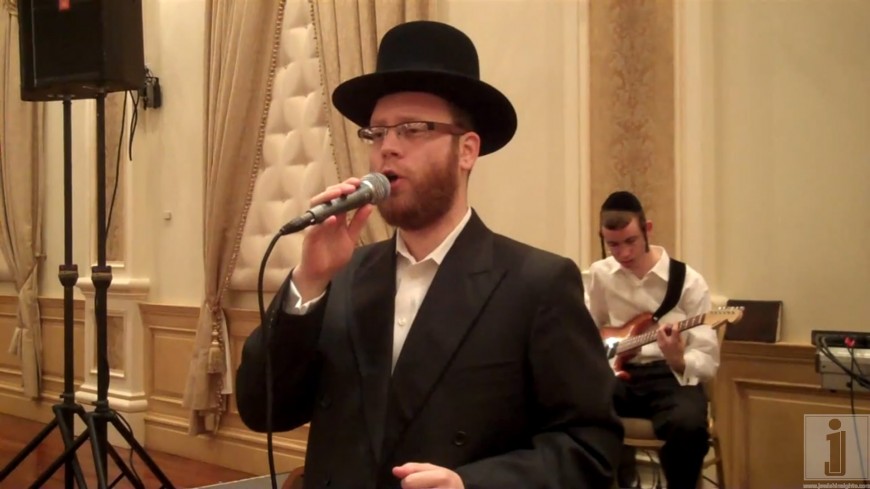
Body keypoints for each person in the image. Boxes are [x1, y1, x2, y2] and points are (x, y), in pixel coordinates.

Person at [235, 20, 623, 489]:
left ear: (467, 151)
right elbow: (263, 410)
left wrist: (472, 485)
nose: (387, 148)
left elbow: (590, 447)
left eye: (413, 129)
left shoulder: (537, 284)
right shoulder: (343, 274)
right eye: (376, 133)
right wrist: (309, 282)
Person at [586, 191, 719, 489]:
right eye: (613, 244)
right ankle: (619, 480)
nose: (623, 253)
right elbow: (589, 326)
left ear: (647, 229)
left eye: (631, 241)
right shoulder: (600, 275)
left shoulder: (688, 281)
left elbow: (708, 359)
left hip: (671, 377)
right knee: (576, 408)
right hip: (619, 375)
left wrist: (679, 358)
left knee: (688, 426)